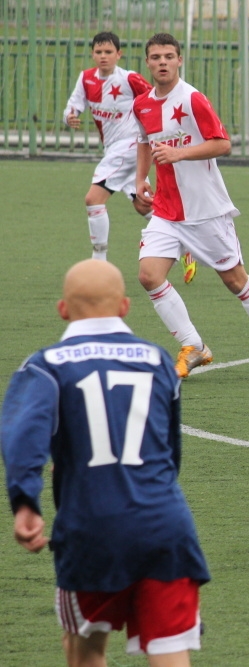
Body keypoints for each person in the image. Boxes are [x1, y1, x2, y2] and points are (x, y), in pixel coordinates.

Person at [1, 259, 210, 666]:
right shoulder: (158, 361)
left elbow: (22, 441)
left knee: (84, 650)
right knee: (170, 653)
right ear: (125, 307)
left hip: (90, 529)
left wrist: (25, 503)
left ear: (63, 309)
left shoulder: (46, 367)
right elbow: (170, 453)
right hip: (166, 528)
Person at [133, 33, 249, 380]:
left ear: (179, 60)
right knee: (148, 276)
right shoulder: (142, 104)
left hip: (205, 208)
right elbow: (145, 142)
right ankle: (193, 346)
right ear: (147, 62)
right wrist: (140, 180)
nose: (162, 62)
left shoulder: (192, 99)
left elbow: (223, 144)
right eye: (156, 56)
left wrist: (180, 153)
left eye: (169, 56)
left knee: (235, 280)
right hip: (166, 209)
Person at [63, 31, 197, 282]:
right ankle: (186, 242)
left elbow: (156, 100)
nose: (103, 57)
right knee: (142, 203)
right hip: (113, 149)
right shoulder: (86, 79)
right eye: (99, 52)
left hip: (129, 146)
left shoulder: (130, 79)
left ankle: (98, 263)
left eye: (109, 52)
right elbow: (74, 105)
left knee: (93, 198)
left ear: (118, 54)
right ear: (92, 53)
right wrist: (70, 115)